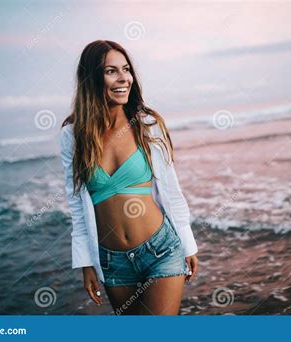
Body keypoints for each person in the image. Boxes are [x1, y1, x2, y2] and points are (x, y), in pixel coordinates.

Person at [59, 40, 199, 315]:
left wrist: (187, 242)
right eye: (111, 71)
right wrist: (86, 262)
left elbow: (171, 190)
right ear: (91, 78)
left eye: (126, 69)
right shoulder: (73, 136)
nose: (124, 78)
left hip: (161, 250)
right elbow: (76, 202)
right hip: (112, 261)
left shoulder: (147, 124)